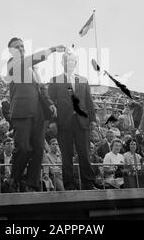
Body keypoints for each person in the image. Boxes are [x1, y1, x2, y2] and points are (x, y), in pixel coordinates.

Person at [6, 37, 64, 192]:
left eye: (22, 46)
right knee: (23, 148)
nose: (21, 48)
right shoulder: (13, 63)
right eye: (17, 47)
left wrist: (50, 103)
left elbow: (41, 88)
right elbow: (30, 60)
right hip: (22, 112)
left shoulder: (33, 69)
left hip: (38, 114)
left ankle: (32, 185)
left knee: (38, 149)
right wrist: (51, 49)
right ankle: (14, 179)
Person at [48, 51, 97, 190]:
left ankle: (88, 183)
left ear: (75, 63)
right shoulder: (55, 80)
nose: (70, 63)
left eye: (72, 61)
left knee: (85, 154)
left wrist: (93, 120)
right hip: (64, 122)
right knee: (67, 156)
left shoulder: (83, 80)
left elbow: (89, 101)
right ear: (62, 63)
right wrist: (52, 121)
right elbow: (50, 102)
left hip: (82, 122)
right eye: (67, 61)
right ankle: (69, 185)